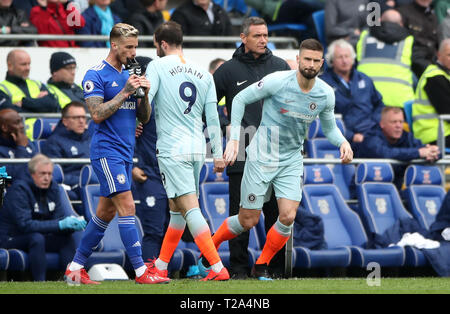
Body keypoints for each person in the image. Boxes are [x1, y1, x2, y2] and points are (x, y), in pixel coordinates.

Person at [206, 38, 353, 280]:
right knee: (247, 220)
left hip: (291, 158)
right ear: (298, 60)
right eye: (307, 59)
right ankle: (208, 251)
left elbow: (330, 128)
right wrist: (233, 140)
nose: (311, 64)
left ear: (322, 63)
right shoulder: (277, 81)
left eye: (316, 61)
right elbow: (241, 98)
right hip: (262, 154)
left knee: (288, 216)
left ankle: (262, 264)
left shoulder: (326, 93)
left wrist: (343, 142)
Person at [64, 23, 169, 285]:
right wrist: (125, 92)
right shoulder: (96, 74)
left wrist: (143, 94)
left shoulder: (131, 73)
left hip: (125, 154)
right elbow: (97, 115)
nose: (133, 53)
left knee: (105, 214)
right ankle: (142, 272)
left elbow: (143, 117)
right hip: (105, 152)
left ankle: (75, 268)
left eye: (135, 47)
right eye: (129, 47)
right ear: (114, 45)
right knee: (128, 206)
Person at [144, 21, 229, 281]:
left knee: (190, 208)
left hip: (172, 148)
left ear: (163, 44)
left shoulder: (156, 66)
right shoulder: (203, 73)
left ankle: (217, 268)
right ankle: (160, 265)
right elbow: (213, 118)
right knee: (176, 209)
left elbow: (145, 105)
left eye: (156, 45)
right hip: (196, 149)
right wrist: (217, 152)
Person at [212, 16, 291, 279]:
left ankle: (274, 268)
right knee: (241, 214)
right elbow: (208, 106)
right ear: (243, 38)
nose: (263, 40)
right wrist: (227, 126)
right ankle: (238, 270)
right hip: (243, 147)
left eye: (266, 35)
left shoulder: (280, 67)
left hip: (276, 149)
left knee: (275, 214)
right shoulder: (228, 70)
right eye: (257, 36)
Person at [0, 154, 86, 281]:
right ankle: (40, 282)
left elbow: (58, 218)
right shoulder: (19, 190)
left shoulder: (53, 188)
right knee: (36, 238)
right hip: (11, 237)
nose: (47, 178)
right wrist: (60, 224)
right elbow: (25, 225)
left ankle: (72, 280)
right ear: (32, 174)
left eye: (50, 174)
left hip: (37, 235)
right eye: (42, 174)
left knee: (65, 238)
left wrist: (69, 226)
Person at [130, 55, 170, 262]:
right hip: (149, 173)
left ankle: (164, 272)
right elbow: (117, 135)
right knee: (154, 230)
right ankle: (148, 271)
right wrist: (132, 166)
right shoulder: (132, 101)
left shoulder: (166, 97)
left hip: (171, 171)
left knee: (169, 228)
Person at [319, 39, 384, 155]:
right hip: (342, 138)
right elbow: (322, 116)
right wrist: (351, 135)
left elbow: (379, 104)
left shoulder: (364, 79)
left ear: (353, 58)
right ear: (331, 60)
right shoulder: (322, 83)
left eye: (347, 56)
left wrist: (373, 126)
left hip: (371, 134)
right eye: (340, 57)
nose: (344, 60)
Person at [359, 106, 440, 189]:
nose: (398, 126)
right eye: (394, 122)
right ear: (382, 124)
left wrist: (433, 151)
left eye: (401, 122)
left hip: (395, 190)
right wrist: (419, 153)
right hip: (367, 188)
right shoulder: (371, 138)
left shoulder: (406, 137)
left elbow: (425, 150)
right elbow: (386, 153)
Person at [356, 9, 415, 108]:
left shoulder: (364, 35)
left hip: (365, 98)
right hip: (400, 103)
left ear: (380, 20)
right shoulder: (408, 39)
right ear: (401, 24)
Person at [42, 101, 90, 211]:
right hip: (75, 185)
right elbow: (55, 174)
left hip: (95, 181)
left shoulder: (90, 139)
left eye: (83, 117)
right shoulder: (54, 142)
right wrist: (83, 179)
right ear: (65, 121)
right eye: (76, 118)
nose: (81, 121)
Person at [0, 49, 59, 139]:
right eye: (23, 64)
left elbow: (53, 104)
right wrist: (40, 105)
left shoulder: (37, 84)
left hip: (47, 134)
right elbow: (12, 114)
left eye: (29, 64)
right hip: (21, 139)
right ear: (10, 66)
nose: (28, 68)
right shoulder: (2, 88)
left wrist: (24, 102)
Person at [412, 38, 450, 148]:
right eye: (449, 55)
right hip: (434, 136)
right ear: (439, 55)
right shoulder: (434, 77)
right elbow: (447, 111)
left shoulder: (445, 75)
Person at [397, 0, 439, 78]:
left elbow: (437, 44)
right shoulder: (403, 12)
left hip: (431, 63)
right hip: (411, 65)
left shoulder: (432, 15)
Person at [0, 108, 37, 181]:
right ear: (4, 127)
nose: (22, 126)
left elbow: (39, 165)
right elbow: (12, 176)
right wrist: (21, 148)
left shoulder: (25, 141)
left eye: (21, 122)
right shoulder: (22, 143)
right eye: (17, 123)